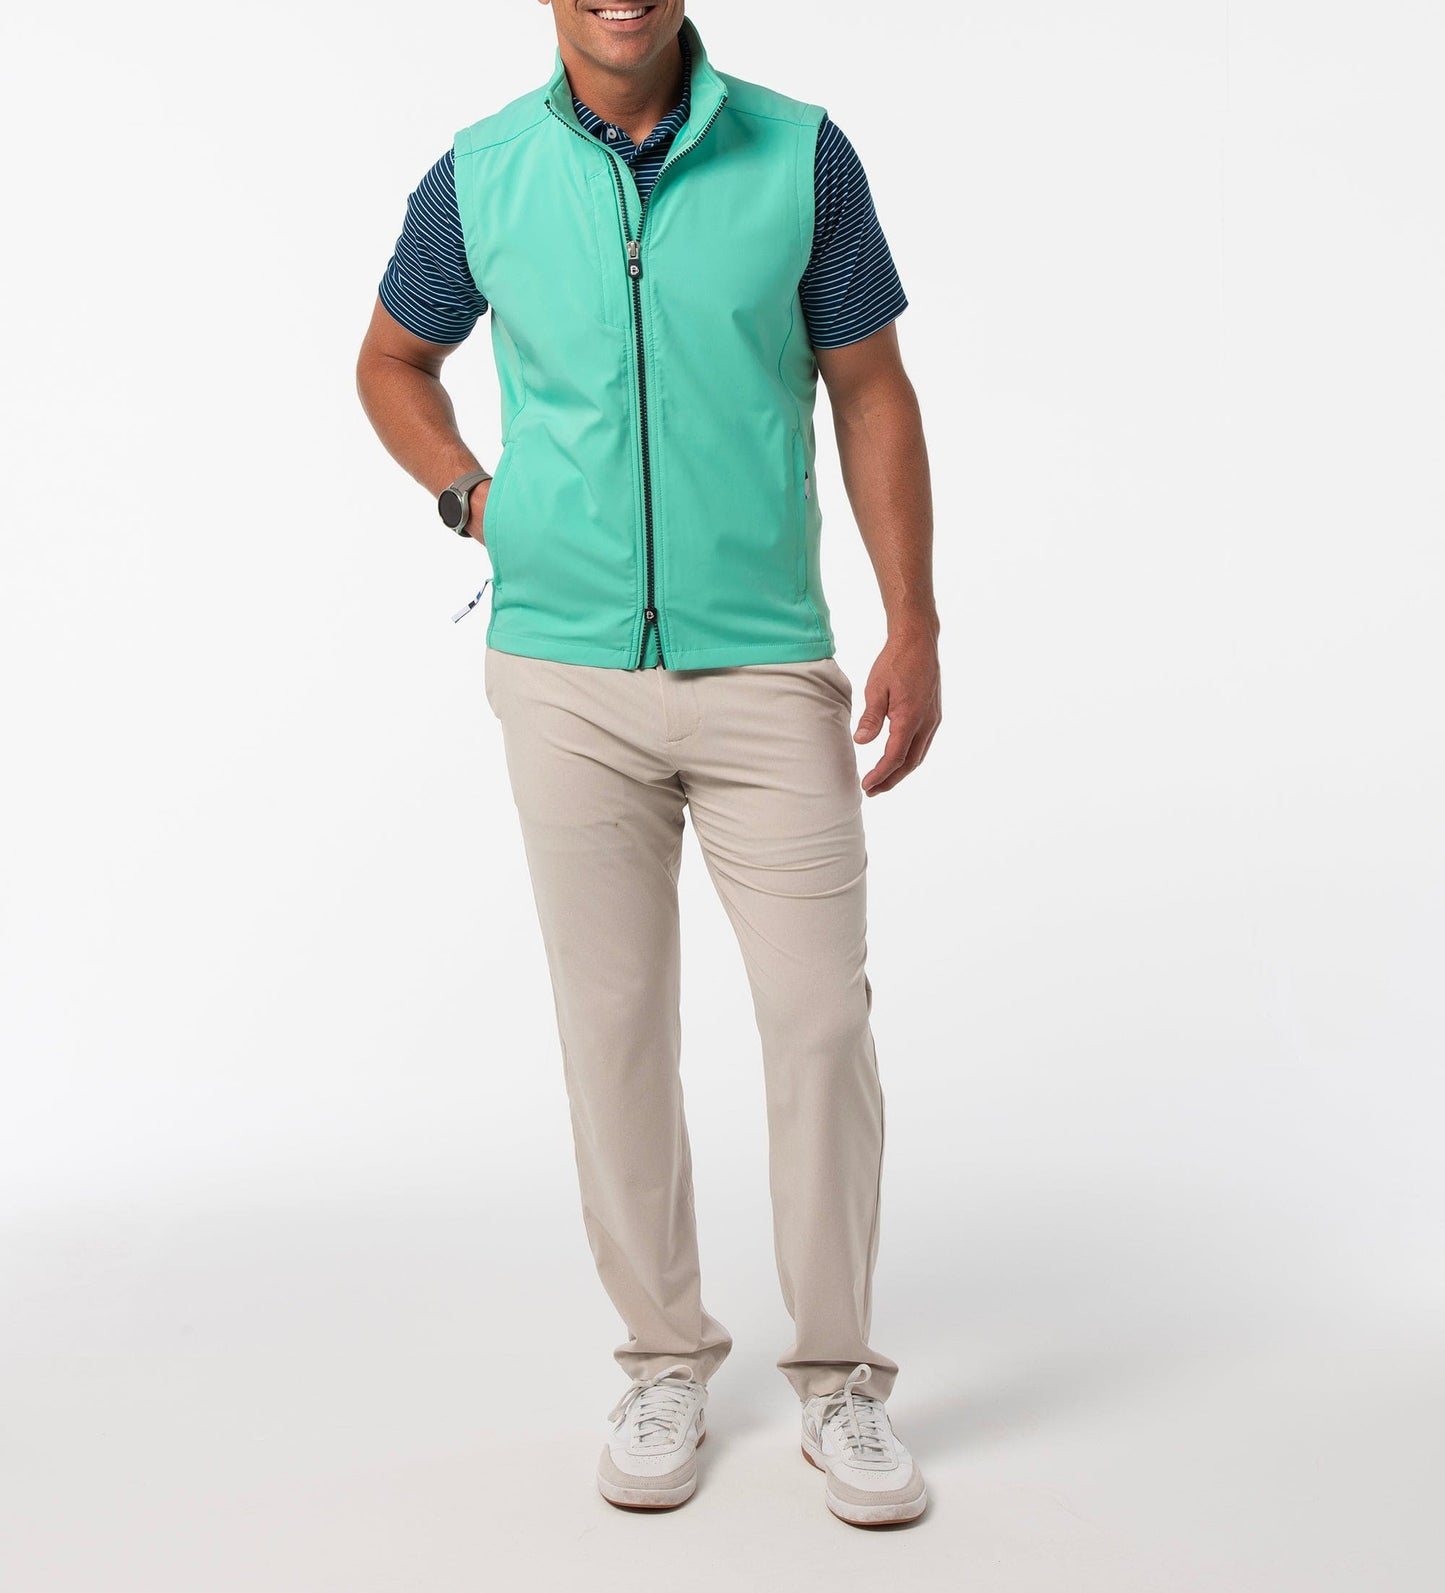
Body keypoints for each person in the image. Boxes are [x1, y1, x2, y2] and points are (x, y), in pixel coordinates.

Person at [355, 1, 940, 1528]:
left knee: (819, 1022)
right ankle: (663, 1357)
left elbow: (870, 386)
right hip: (563, 671)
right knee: (611, 1029)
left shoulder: (799, 159)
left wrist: (913, 617)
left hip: (764, 664)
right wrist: (472, 499)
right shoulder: (478, 175)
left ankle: (837, 1378)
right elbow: (393, 362)